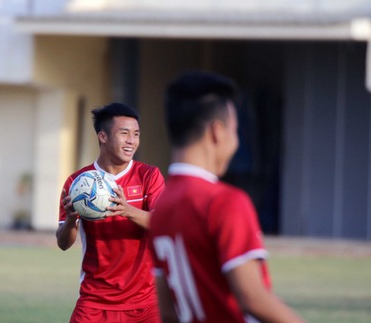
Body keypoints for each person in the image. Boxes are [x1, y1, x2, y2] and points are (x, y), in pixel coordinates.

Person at [149, 71, 304, 323]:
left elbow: (167, 310)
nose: (235, 141)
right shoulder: (225, 201)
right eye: (235, 130)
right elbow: (252, 298)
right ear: (217, 132)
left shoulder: (161, 208)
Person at [57, 102, 165, 323]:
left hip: (145, 303)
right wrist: (70, 220)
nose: (131, 141)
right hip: (95, 301)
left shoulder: (149, 176)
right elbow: (63, 243)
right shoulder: (77, 183)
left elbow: (163, 225)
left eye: (136, 134)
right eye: (124, 134)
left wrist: (128, 210)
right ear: (103, 136)